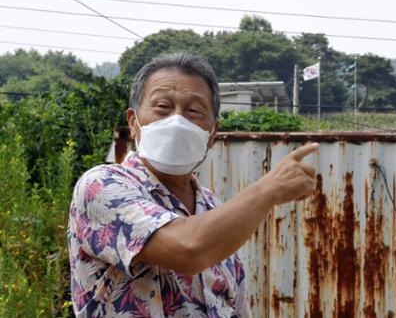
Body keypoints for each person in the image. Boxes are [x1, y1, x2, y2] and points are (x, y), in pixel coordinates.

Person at [67, 53, 318, 317]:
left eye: (194, 111)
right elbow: (189, 249)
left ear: (212, 134)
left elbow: (236, 304)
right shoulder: (101, 186)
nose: (177, 121)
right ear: (133, 121)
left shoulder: (212, 208)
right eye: (163, 107)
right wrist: (268, 189)